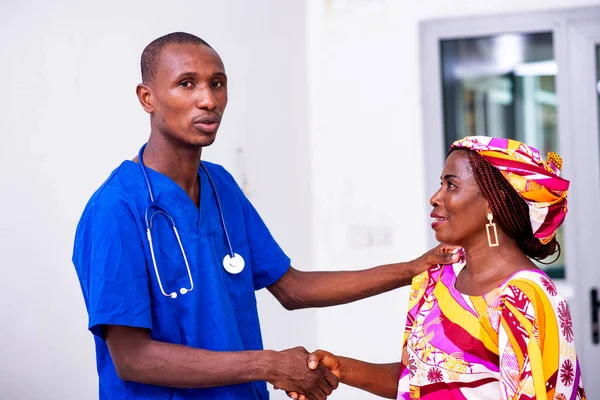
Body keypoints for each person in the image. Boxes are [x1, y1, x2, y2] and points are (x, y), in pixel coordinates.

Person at [71, 31, 459, 400]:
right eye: (186, 84)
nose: (208, 100)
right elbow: (132, 358)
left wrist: (413, 268)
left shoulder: (219, 185)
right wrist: (270, 364)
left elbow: (292, 288)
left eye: (217, 83)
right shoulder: (116, 208)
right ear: (147, 98)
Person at [292, 136, 586, 400]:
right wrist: (341, 368)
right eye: (441, 184)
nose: (435, 197)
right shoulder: (436, 278)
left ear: (492, 204)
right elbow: (419, 380)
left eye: (451, 185)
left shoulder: (524, 296)